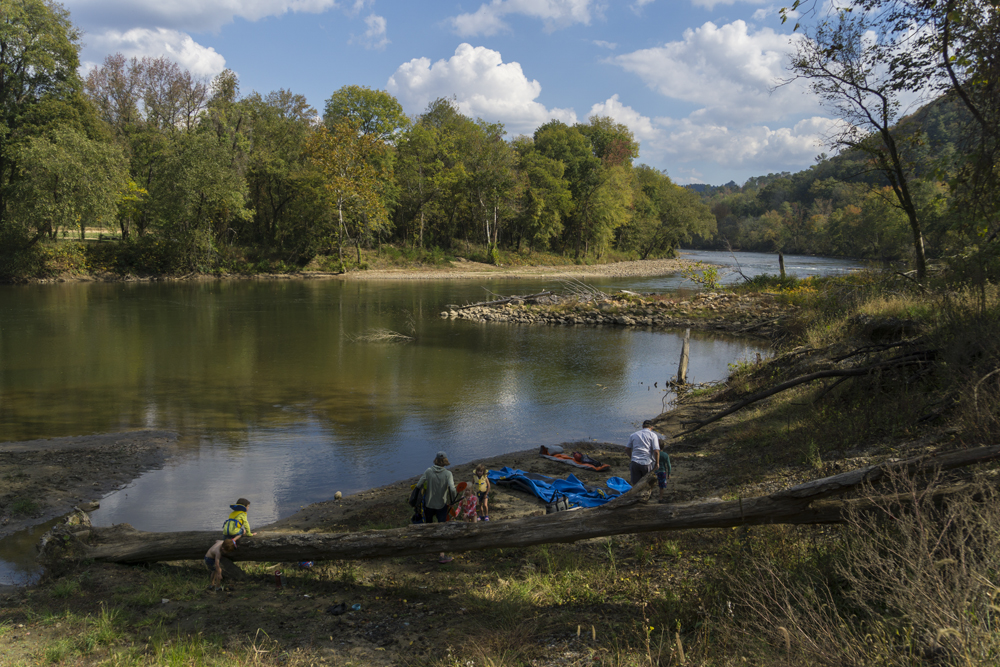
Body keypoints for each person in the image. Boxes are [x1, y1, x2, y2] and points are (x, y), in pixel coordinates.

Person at [417, 451, 457, 563]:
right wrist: (453, 500)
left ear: (436, 460)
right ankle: (441, 555)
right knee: (441, 528)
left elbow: (419, 484)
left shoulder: (428, 471)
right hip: (441, 505)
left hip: (428, 505)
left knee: (429, 526)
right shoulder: (448, 474)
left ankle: (429, 548)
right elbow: (452, 489)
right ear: (445, 461)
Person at [626, 420, 661, 486]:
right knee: (647, 484)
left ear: (642, 426)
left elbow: (627, 449)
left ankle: (636, 492)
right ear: (651, 427)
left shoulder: (633, 435)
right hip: (646, 462)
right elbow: (656, 451)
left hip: (635, 462)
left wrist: (632, 457)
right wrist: (657, 463)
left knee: (635, 484)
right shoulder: (653, 435)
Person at [656, 437, 672, 502]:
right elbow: (668, 465)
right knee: (661, 486)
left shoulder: (654, 454)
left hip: (655, 471)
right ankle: (660, 498)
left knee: (651, 485)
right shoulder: (665, 455)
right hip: (662, 471)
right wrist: (669, 473)